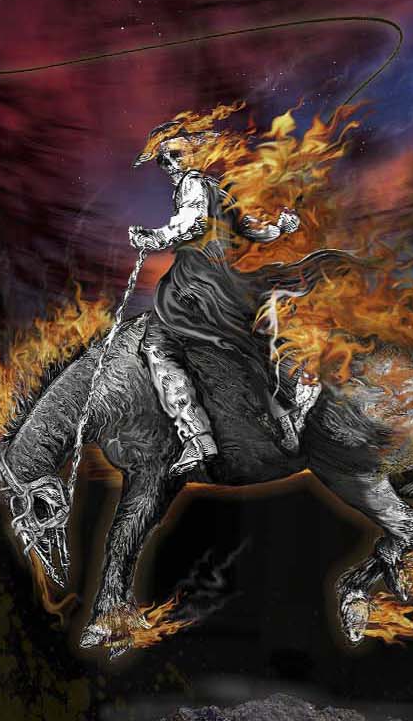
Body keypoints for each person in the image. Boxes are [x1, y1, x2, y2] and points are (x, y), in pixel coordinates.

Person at [129, 126, 324, 478]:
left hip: (193, 283)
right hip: (226, 282)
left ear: (195, 157)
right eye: (163, 160)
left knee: (155, 345)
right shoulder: (220, 190)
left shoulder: (191, 184)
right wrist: (280, 227)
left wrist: (155, 237)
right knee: (250, 342)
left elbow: (192, 222)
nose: (169, 164)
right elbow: (251, 229)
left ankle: (197, 436)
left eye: (176, 155)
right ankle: (290, 403)